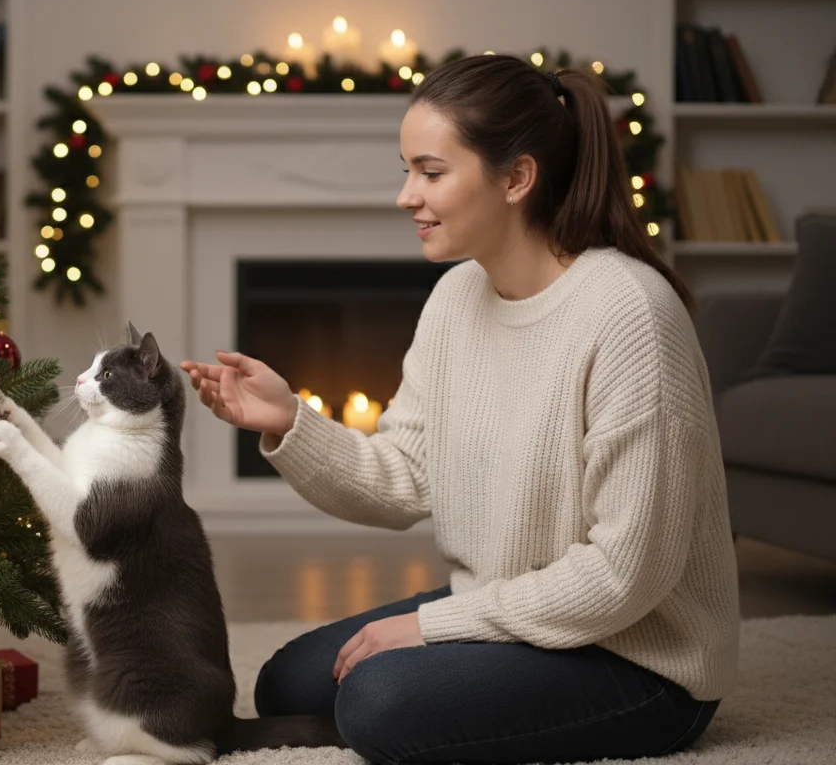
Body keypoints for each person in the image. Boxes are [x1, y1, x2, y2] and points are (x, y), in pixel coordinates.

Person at [180, 53, 740, 765]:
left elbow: (625, 576)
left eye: (431, 172)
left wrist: (439, 625)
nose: (405, 196)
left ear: (516, 178)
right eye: (407, 170)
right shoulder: (456, 299)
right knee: (287, 683)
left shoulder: (629, 314)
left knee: (377, 701)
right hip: (524, 612)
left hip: (639, 660)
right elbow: (405, 478)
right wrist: (290, 421)